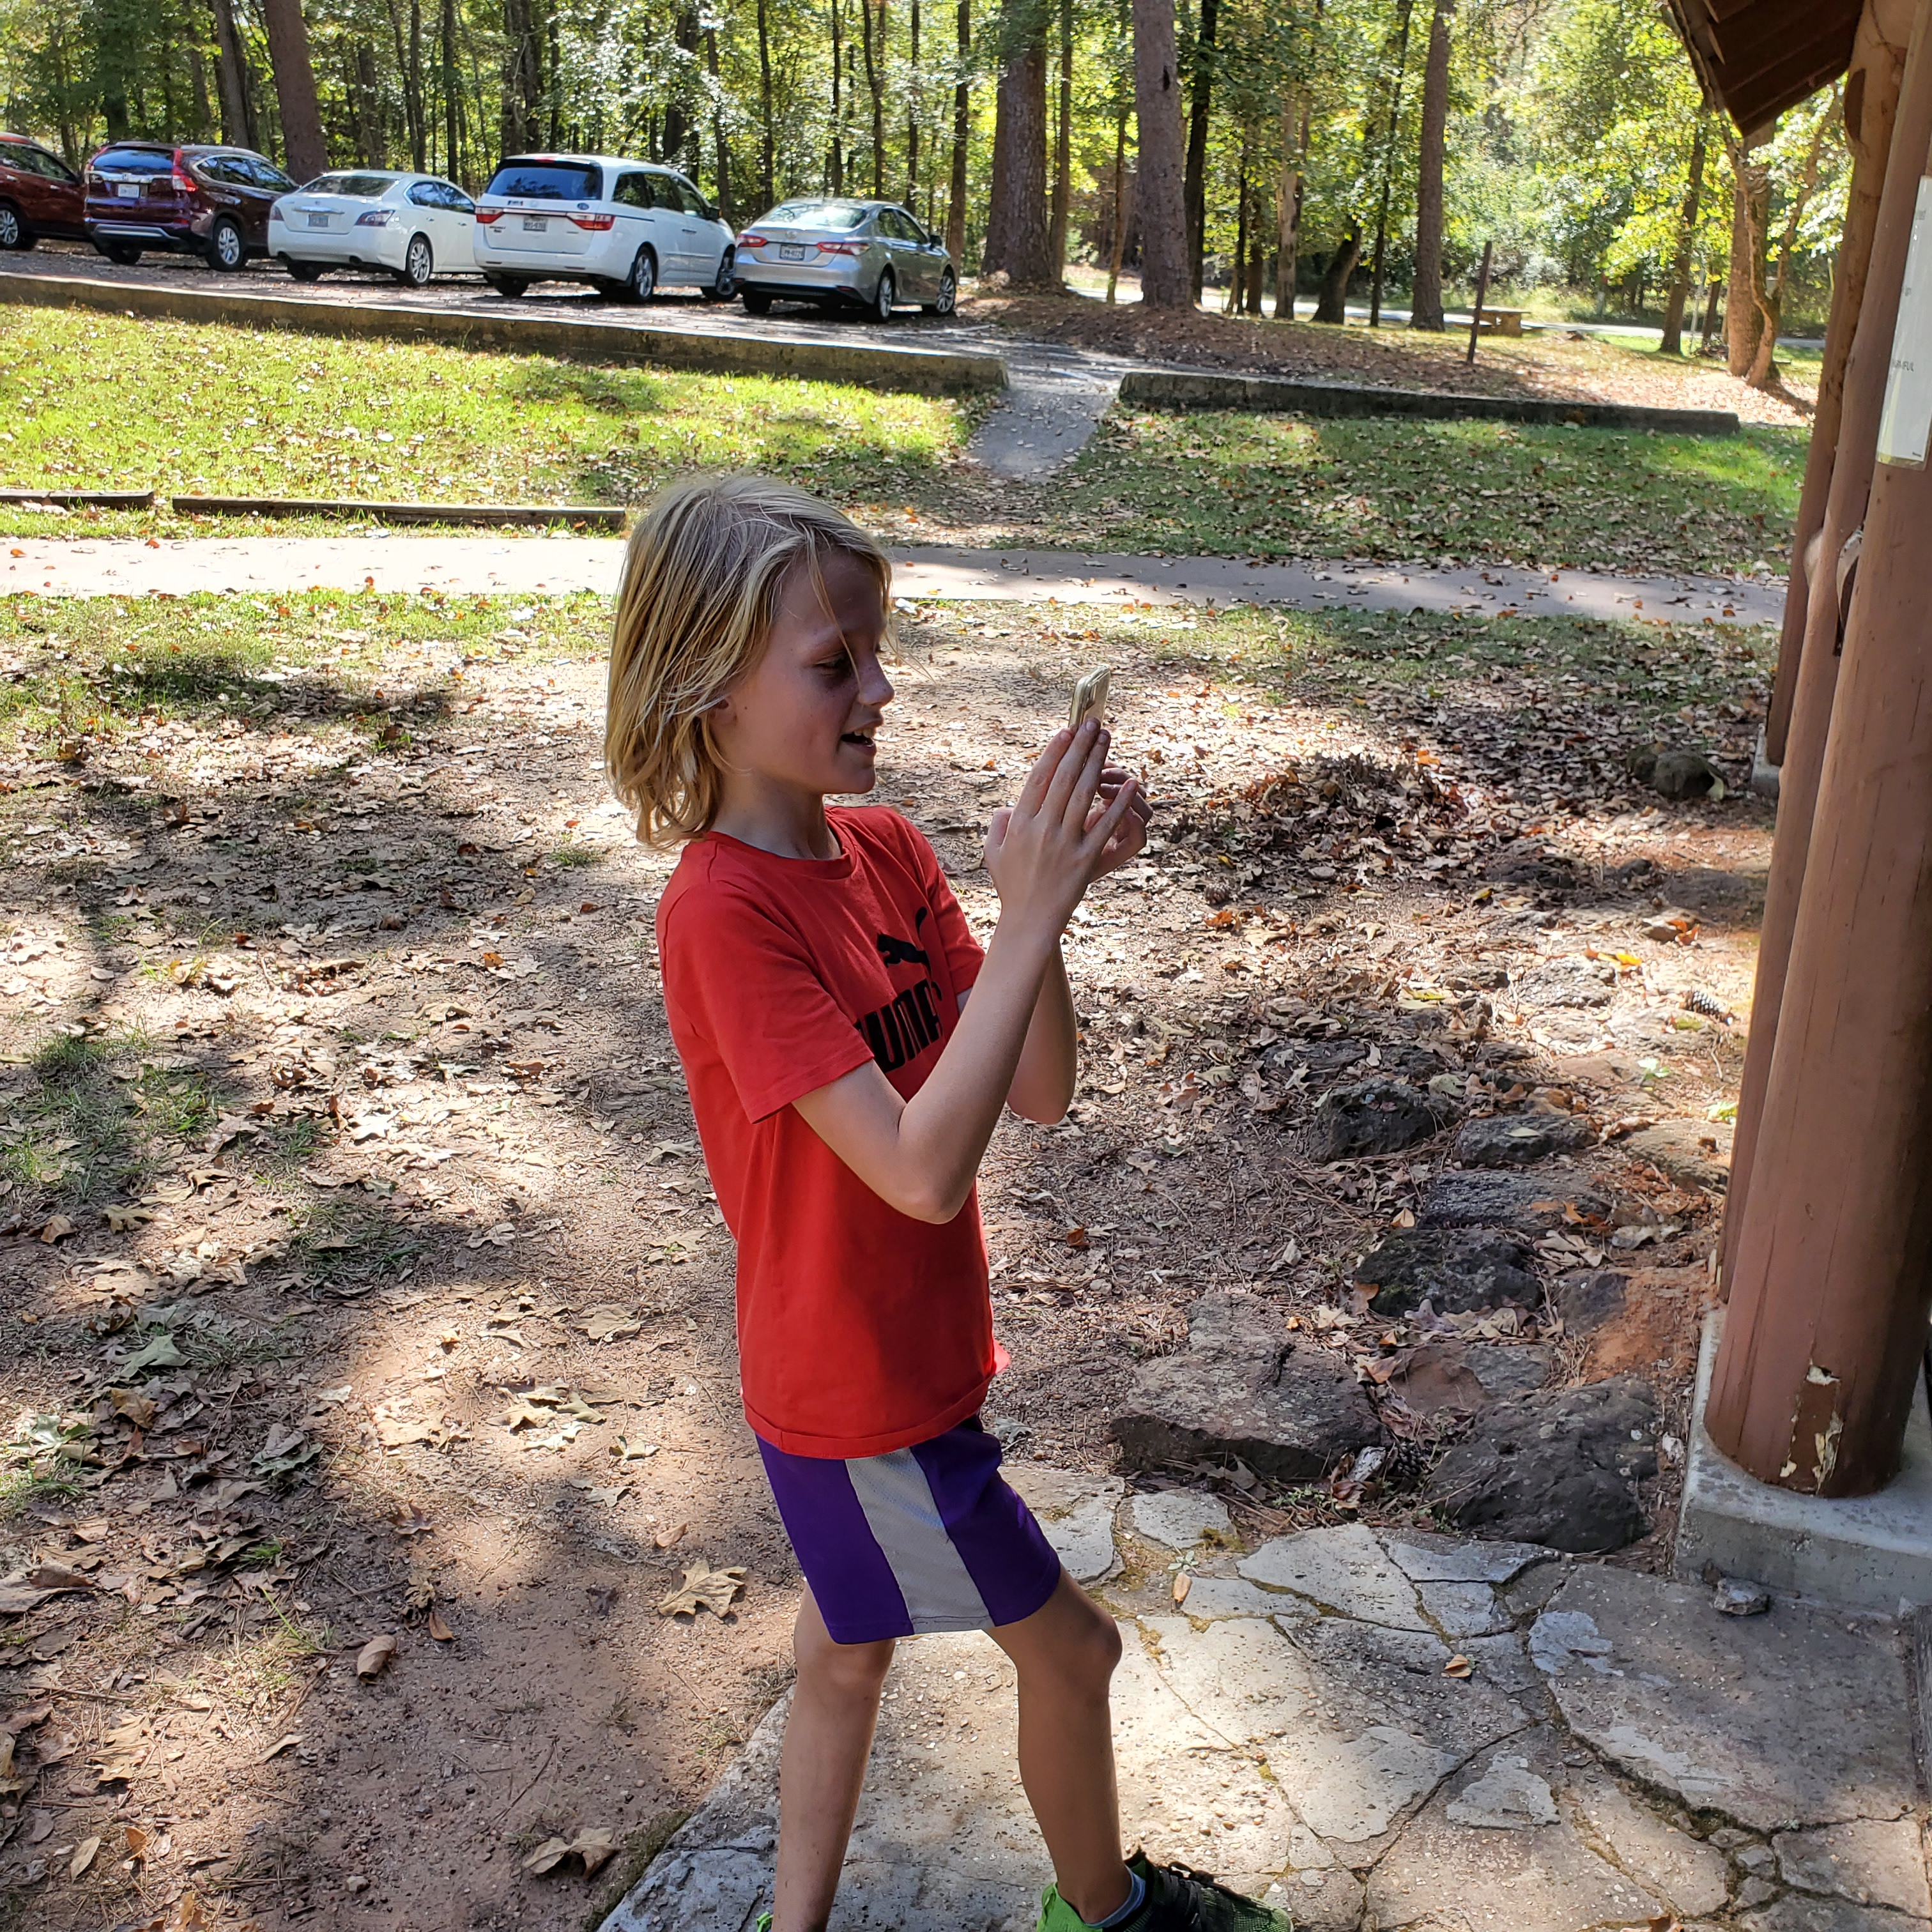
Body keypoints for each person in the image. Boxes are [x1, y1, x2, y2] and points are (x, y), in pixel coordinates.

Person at [606, 475, 1289, 1932]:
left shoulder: (890, 853)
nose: (880, 688)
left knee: (846, 1652)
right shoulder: (723, 913)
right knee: (1075, 1654)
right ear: (706, 686)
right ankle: (1109, 1918)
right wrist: (1028, 910)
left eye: (879, 650)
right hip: (861, 1401)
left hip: (905, 1361)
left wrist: (1053, 907)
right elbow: (919, 1172)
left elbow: (1036, 1085)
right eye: (833, 662)